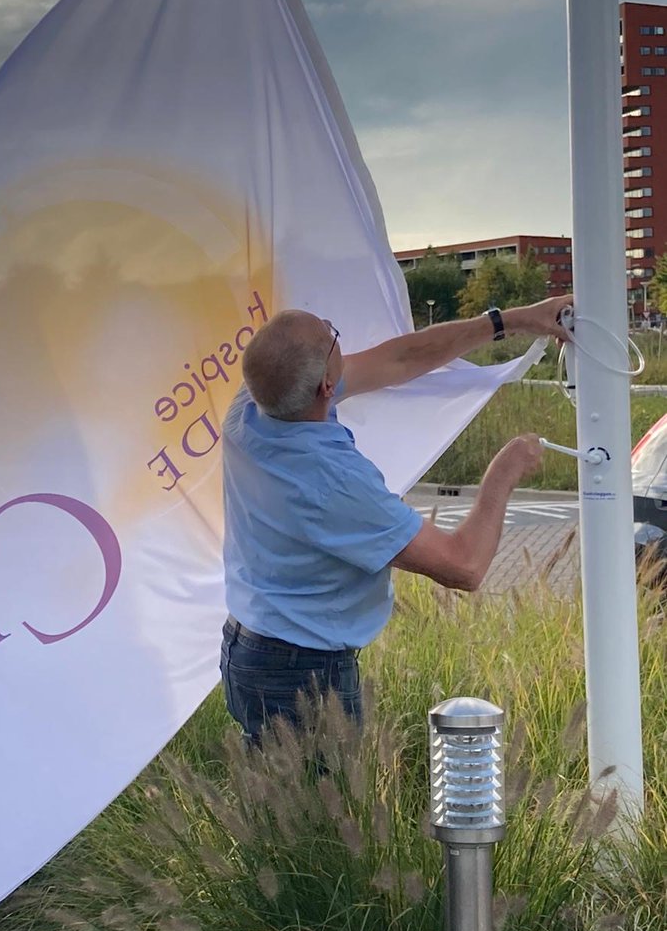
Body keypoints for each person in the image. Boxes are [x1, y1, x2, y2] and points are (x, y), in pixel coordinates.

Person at [220, 296, 571, 744]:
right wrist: (505, 471)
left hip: (247, 648)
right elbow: (465, 566)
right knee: (321, 811)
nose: (334, 331)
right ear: (327, 386)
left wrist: (512, 321)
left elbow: (401, 357)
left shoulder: (254, 405)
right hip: (302, 673)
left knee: (274, 807)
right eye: (332, 336)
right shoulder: (332, 483)